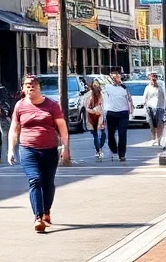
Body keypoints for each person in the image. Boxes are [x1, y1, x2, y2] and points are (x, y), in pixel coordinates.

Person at [8, 74, 71, 233]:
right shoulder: (20, 106)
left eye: (33, 86)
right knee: (35, 180)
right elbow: (14, 129)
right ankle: (38, 217)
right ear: (23, 88)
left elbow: (62, 127)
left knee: (48, 183)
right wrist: (11, 149)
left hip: (49, 149)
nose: (30, 89)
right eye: (27, 86)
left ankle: (46, 211)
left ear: (39, 88)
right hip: (28, 148)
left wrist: (65, 148)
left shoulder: (51, 105)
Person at [102, 68, 132, 162]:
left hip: (123, 113)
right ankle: (114, 150)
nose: (115, 79)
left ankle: (122, 154)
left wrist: (131, 108)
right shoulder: (106, 87)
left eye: (117, 77)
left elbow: (129, 99)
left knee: (122, 134)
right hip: (111, 113)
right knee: (111, 134)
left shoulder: (124, 87)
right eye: (113, 77)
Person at [85, 81, 107, 161]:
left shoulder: (101, 94)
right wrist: (94, 111)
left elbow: (104, 105)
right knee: (96, 135)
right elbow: (87, 108)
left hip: (100, 116)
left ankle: (99, 148)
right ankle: (98, 150)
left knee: (103, 134)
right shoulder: (89, 96)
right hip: (92, 117)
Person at [143, 72, 166, 147]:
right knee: (152, 125)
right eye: (152, 79)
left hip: (159, 108)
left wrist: (165, 107)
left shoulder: (160, 87)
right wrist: (145, 105)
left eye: (154, 79)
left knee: (160, 124)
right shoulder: (147, 88)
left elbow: (164, 97)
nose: (153, 80)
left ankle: (158, 140)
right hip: (149, 108)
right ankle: (153, 139)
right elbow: (145, 98)